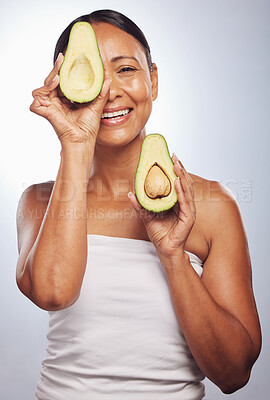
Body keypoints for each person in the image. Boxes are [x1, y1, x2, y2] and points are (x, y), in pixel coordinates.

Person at [16, 9, 261, 400]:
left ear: (154, 80)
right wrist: (76, 144)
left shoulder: (213, 206)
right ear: (64, 87)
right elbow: (54, 293)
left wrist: (173, 255)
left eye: (126, 69)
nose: (110, 90)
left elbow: (233, 374)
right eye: (92, 72)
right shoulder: (38, 201)